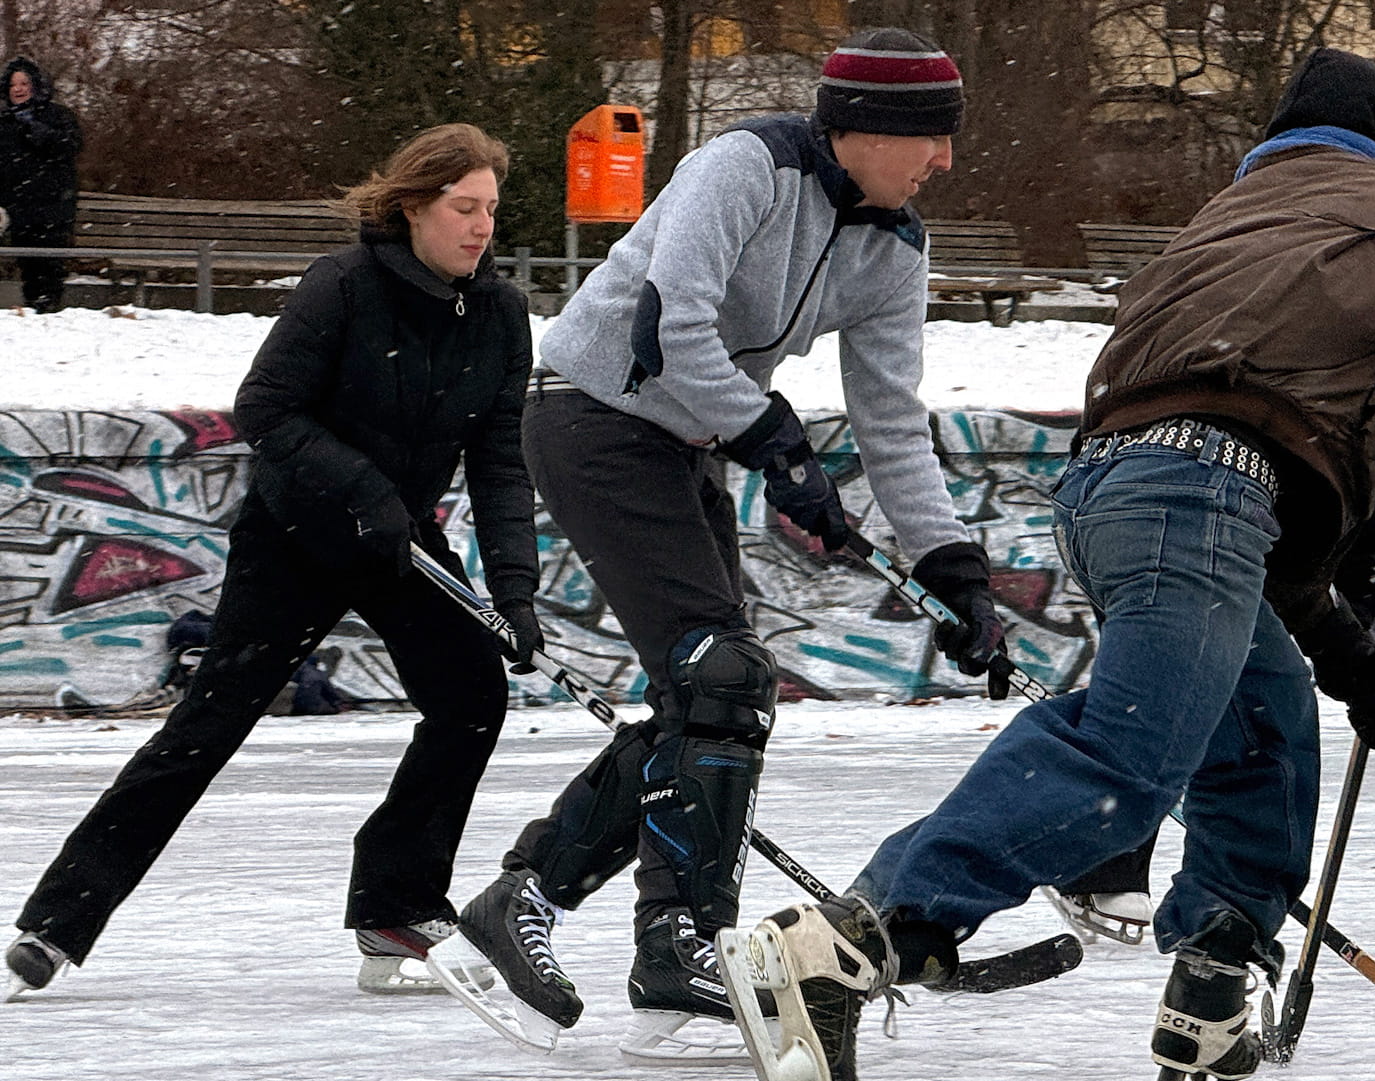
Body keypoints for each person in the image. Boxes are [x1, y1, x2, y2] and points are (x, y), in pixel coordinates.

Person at [717, 48, 1375, 1081]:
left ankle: (1214, 986)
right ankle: (855, 938)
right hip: (1203, 496)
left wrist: (1335, 643)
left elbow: (1243, 452)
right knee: (1131, 752)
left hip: (1118, 493)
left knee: (1262, 730)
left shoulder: (1223, 224)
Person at [431, 27, 1005, 1063]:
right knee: (721, 672)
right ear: (869, 128)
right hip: (592, 414)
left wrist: (949, 563)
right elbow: (669, 329)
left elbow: (890, 418)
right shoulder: (746, 167)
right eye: (933, 137)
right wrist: (770, 437)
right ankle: (679, 943)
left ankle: (544, 903)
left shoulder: (895, 245)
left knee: (712, 696)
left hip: (685, 440)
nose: (946, 160)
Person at [4, 123, 542, 1002]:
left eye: (490, 208)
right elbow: (265, 407)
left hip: (397, 545)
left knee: (472, 695)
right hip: (295, 539)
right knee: (205, 729)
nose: (481, 226)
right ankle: (56, 924)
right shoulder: (344, 285)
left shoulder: (498, 313)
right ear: (413, 207)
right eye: (462, 207)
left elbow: (499, 461)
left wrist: (515, 591)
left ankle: (396, 906)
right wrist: (362, 487)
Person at [0, 56, 83, 313]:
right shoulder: (4, 122)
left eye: (24, 83)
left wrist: (46, 136)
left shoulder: (57, 116)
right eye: (13, 84)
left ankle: (49, 306)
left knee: (50, 263)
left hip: (53, 205)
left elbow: (72, 146)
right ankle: (34, 307)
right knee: (28, 263)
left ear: (36, 85)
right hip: (18, 206)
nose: (18, 89)